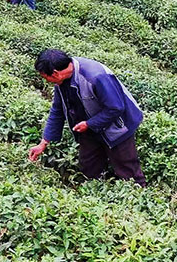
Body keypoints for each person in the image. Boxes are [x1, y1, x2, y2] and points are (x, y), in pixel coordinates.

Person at [28, 49, 147, 186]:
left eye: (45, 77)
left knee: (127, 169)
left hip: (118, 126)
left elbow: (116, 108)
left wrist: (90, 124)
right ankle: (94, 192)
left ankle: (138, 193)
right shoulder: (61, 82)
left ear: (55, 73)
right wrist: (44, 142)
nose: (47, 81)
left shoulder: (95, 76)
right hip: (87, 126)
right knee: (89, 168)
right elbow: (57, 110)